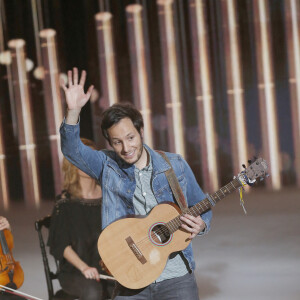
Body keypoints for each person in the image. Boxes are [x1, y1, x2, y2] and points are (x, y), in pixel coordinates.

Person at [59, 67, 213, 300]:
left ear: (141, 131)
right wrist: (73, 111)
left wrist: (202, 225)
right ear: (109, 142)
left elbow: (202, 204)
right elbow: (72, 150)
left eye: (130, 138)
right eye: (117, 142)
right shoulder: (106, 166)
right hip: (131, 279)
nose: (126, 148)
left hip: (176, 278)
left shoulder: (174, 165)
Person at [47, 138, 113, 300]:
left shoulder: (109, 197)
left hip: (109, 267)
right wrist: (84, 268)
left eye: (92, 158)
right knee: (93, 292)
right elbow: (61, 246)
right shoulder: (65, 203)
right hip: (76, 270)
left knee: (127, 288)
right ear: (73, 166)